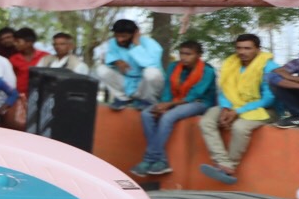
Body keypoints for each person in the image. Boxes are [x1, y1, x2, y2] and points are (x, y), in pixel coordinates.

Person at [198, 34, 275, 186]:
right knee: (206, 121)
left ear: (258, 50)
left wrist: (238, 112)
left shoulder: (269, 67)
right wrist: (226, 107)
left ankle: (229, 166)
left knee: (239, 127)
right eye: (239, 48)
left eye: (247, 48)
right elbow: (225, 90)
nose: (242, 52)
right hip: (232, 105)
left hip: (264, 109)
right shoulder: (231, 63)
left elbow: (269, 99)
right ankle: (223, 162)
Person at [136, 41, 217, 177]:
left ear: (198, 55)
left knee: (168, 117)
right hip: (174, 101)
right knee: (146, 114)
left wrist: (169, 106)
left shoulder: (208, 71)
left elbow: (195, 95)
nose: (184, 57)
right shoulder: (174, 67)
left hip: (199, 103)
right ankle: (162, 160)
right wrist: (163, 104)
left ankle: (149, 159)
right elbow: (167, 89)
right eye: (181, 53)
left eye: (188, 54)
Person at [96, 18, 166, 107]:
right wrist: (116, 61)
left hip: (146, 86)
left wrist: (137, 45)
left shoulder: (151, 44)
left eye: (124, 36)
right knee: (101, 69)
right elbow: (108, 56)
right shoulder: (113, 43)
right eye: (117, 36)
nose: (119, 40)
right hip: (127, 83)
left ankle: (148, 101)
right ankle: (123, 99)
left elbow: (150, 64)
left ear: (135, 33)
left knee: (152, 72)